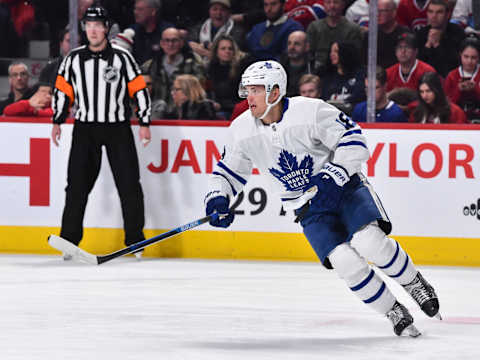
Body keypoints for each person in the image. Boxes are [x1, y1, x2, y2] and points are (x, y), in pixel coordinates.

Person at [204, 60, 441, 337]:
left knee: (370, 242)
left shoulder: (310, 111)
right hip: (308, 207)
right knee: (344, 261)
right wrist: (218, 199)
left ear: (275, 91)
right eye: (247, 90)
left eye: (256, 89)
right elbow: (226, 173)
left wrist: (335, 173)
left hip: (344, 189)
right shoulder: (241, 130)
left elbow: (353, 138)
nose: (249, 97)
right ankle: (392, 310)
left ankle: (413, 281)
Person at [51, 6, 152, 259]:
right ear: (84, 28)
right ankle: (69, 241)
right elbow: (63, 90)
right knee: (76, 187)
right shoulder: (73, 58)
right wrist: (57, 120)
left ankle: (135, 241)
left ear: (106, 28)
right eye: (89, 25)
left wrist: (145, 122)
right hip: (85, 129)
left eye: (98, 25)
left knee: (129, 184)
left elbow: (139, 89)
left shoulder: (122, 57)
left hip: (117, 127)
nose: (93, 30)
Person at [141, 27, 206, 110]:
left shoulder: (194, 65)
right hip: (157, 113)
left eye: (174, 40)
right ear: (161, 43)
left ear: (181, 43)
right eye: (167, 41)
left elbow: (199, 92)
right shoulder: (151, 66)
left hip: (185, 113)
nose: (170, 44)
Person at [306, 0, 364, 71]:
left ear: (343, 5)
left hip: (344, 71)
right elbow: (309, 54)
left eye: (336, 2)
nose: (332, 6)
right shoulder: (314, 27)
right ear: (324, 5)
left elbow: (355, 57)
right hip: (318, 71)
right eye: (328, 2)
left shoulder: (353, 29)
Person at [415, 0, 466, 77]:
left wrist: (437, 45)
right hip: (424, 79)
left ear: (448, 14)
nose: (434, 16)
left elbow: (454, 66)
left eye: (439, 12)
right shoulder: (421, 34)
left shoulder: (458, 33)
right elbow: (416, 64)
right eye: (430, 12)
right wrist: (428, 45)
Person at [207, 34, 252, 119]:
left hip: (235, 110)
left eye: (230, 48)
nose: (227, 51)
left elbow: (243, 98)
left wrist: (221, 106)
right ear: (216, 51)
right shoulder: (211, 68)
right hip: (217, 109)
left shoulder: (242, 69)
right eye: (223, 49)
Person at [361, 0, 412, 69]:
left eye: (382, 11)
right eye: (376, 11)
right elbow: (364, 63)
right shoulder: (370, 35)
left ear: (394, 13)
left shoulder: (406, 34)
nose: (378, 14)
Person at [321, 41, 366, 114]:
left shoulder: (361, 73)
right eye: (331, 51)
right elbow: (325, 97)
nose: (331, 54)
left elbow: (359, 95)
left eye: (336, 51)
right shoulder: (328, 75)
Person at [444, 37, 480, 122]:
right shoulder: (452, 76)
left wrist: (476, 90)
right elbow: (445, 105)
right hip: (457, 119)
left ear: (479, 57)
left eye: (473, 57)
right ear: (460, 55)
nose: (469, 61)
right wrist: (458, 90)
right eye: (466, 57)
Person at [129, 0, 173, 64]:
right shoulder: (132, 31)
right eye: (135, 9)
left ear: (153, 11)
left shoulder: (167, 32)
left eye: (140, 9)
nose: (135, 12)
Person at [281, 30, 320, 96]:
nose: (291, 47)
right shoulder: (280, 69)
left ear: (307, 47)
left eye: (297, 44)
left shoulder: (316, 68)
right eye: (289, 43)